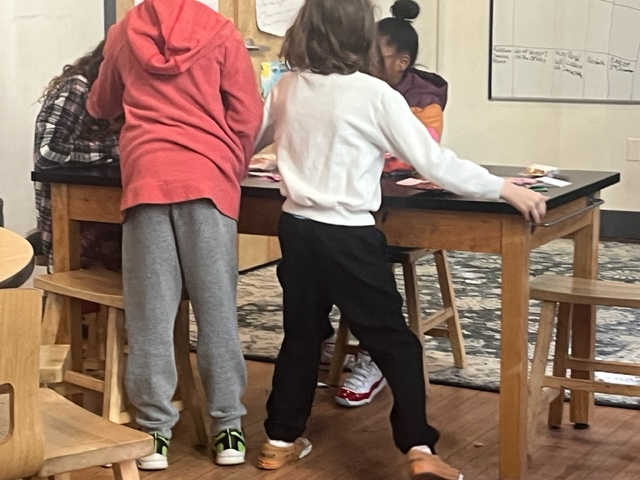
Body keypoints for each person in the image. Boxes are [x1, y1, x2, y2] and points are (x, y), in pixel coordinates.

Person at [253, 0, 546, 478]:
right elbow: (434, 162)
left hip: (297, 228)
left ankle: (279, 441)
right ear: (361, 35)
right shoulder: (373, 93)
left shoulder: (287, 86)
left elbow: (246, 141)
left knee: (302, 336)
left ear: (305, 29)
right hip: (348, 234)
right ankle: (419, 448)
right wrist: (504, 188)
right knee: (395, 343)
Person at [86, 0, 263, 470]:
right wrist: (230, 164)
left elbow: (101, 104)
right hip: (208, 178)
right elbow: (248, 115)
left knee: (150, 314)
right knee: (216, 309)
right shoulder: (221, 32)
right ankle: (228, 428)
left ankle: (153, 433)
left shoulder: (124, 31)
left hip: (146, 176)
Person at [332, 0, 449, 408]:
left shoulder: (424, 97)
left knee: (367, 258)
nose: (365, 61)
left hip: (401, 207)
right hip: (354, 197)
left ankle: (373, 353)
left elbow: (421, 152)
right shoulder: (354, 86)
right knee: (312, 254)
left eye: (375, 55)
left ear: (402, 62)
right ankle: (322, 338)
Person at [34, 40, 123, 272]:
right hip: (72, 221)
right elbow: (48, 151)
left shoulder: (125, 97)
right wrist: (116, 148)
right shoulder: (78, 87)